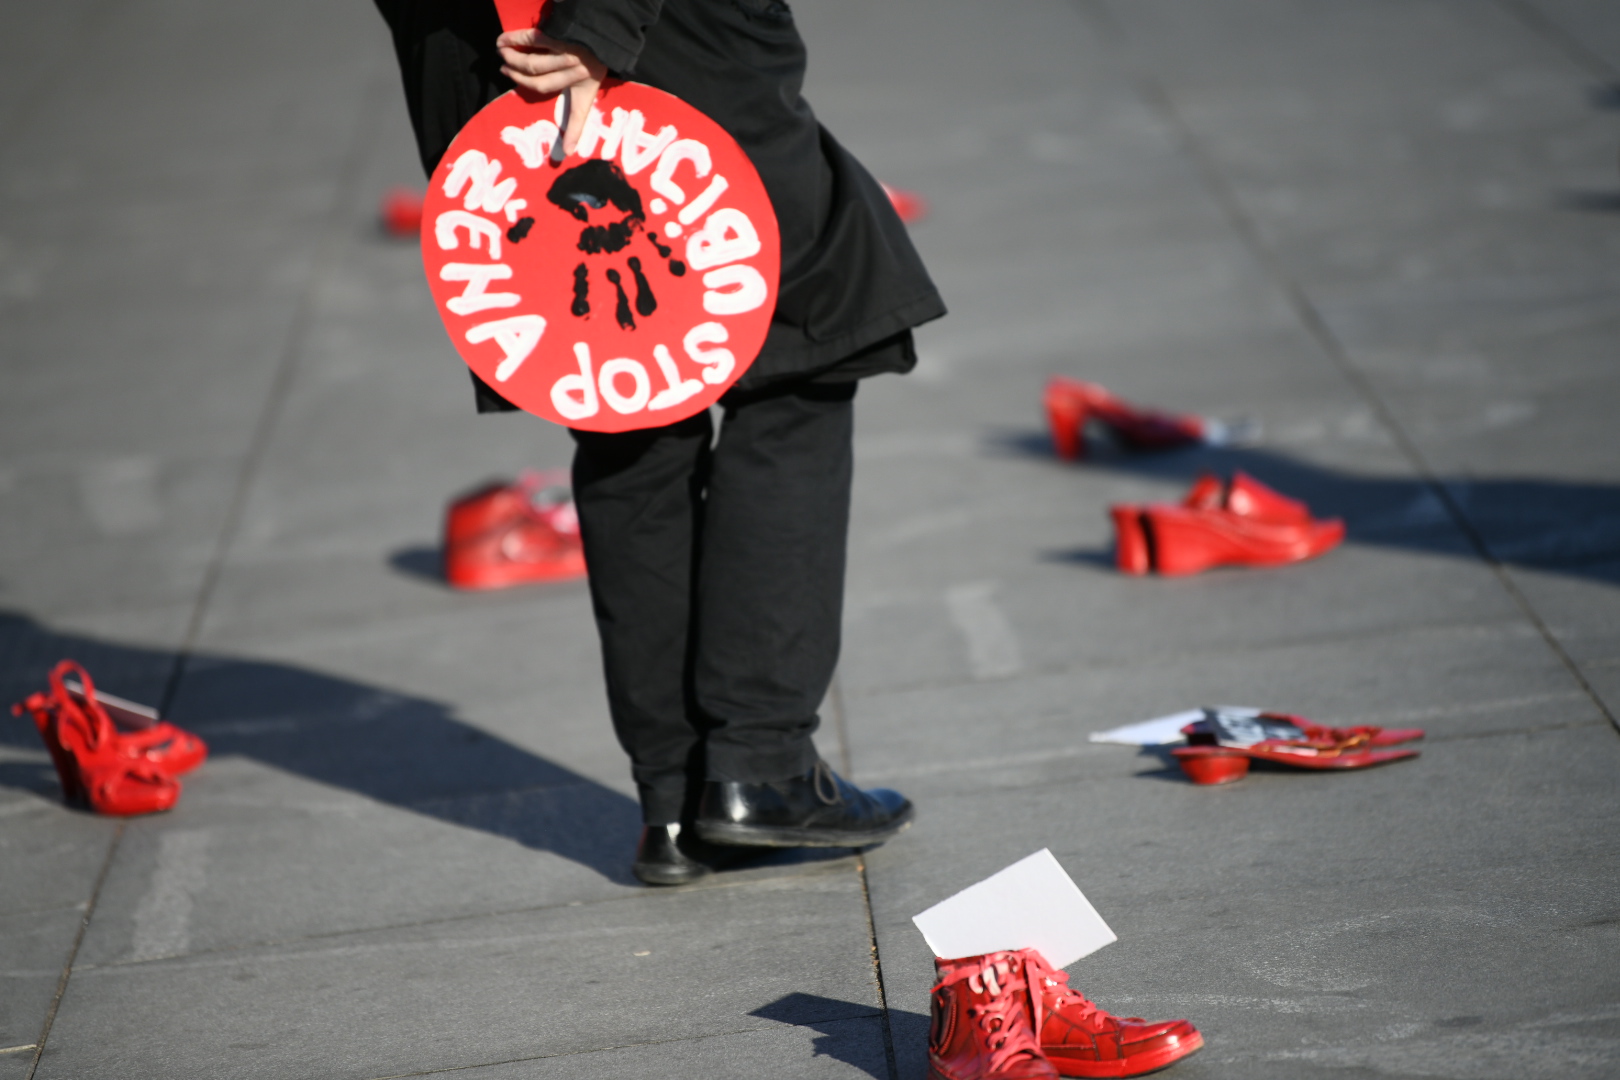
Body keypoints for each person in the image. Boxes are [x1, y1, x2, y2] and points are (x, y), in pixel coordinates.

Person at [373, 0, 945, 885]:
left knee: (624, 412)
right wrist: (597, 25)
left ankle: (673, 802)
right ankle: (758, 769)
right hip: (648, 34)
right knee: (798, 359)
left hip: (467, 47)